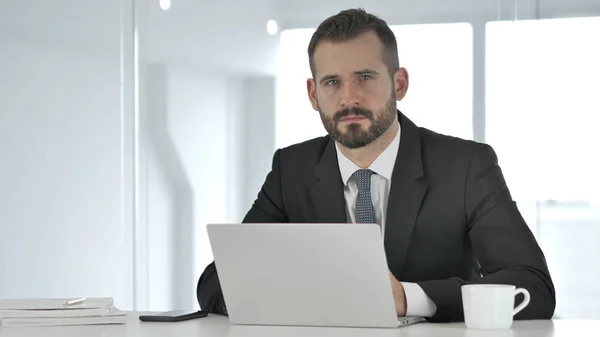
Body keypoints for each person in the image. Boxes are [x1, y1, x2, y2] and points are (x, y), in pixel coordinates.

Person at [196, 8, 556, 322]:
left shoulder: (465, 166)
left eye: (364, 78)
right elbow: (217, 282)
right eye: (332, 82)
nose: (348, 97)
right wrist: (298, 301)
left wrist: (409, 298)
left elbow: (532, 287)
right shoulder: (291, 169)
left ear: (399, 84)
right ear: (312, 93)